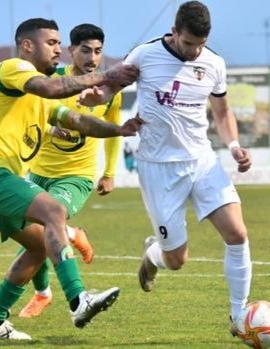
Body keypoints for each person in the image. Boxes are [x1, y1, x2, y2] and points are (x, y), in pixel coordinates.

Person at [0, 18, 140, 340]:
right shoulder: (13, 68)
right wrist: (107, 74)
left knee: (40, 247)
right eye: (52, 43)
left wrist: (119, 130)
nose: (58, 49)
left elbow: (79, 121)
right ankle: (78, 300)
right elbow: (51, 86)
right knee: (54, 211)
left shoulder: (41, 99)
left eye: (58, 43)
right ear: (28, 45)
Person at [83, 0, 253, 336]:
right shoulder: (145, 55)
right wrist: (95, 98)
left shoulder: (214, 64)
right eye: (189, 43)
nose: (194, 51)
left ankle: (238, 317)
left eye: (200, 44)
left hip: (202, 160)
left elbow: (221, 113)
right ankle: (153, 254)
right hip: (158, 167)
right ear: (174, 32)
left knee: (238, 234)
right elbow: (110, 87)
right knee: (177, 260)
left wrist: (233, 146)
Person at [0, 38, 96, 290]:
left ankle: (63, 257)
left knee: (38, 229)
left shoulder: (7, 86)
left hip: (6, 167)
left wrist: (52, 130)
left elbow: (29, 115)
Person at [16, 23, 123, 318]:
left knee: (48, 226)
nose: (92, 57)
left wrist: (110, 172)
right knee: (36, 235)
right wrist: (51, 130)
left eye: (98, 51)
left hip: (76, 175)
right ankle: (70, 244)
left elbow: (112, 132)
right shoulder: (51, 81)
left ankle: (46, 294)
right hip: (38, 170)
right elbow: (29, 115)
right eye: (85, 50)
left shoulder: (109, 92)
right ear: (70, 50)